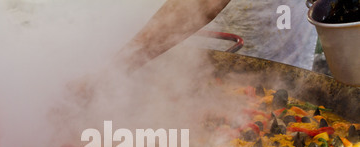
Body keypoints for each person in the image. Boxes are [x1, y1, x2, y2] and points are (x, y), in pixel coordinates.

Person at [114, 0, 317, 72]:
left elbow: (199, 5)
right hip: (191, 42)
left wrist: (121, 64)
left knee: (278, 96)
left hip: (276, 31)